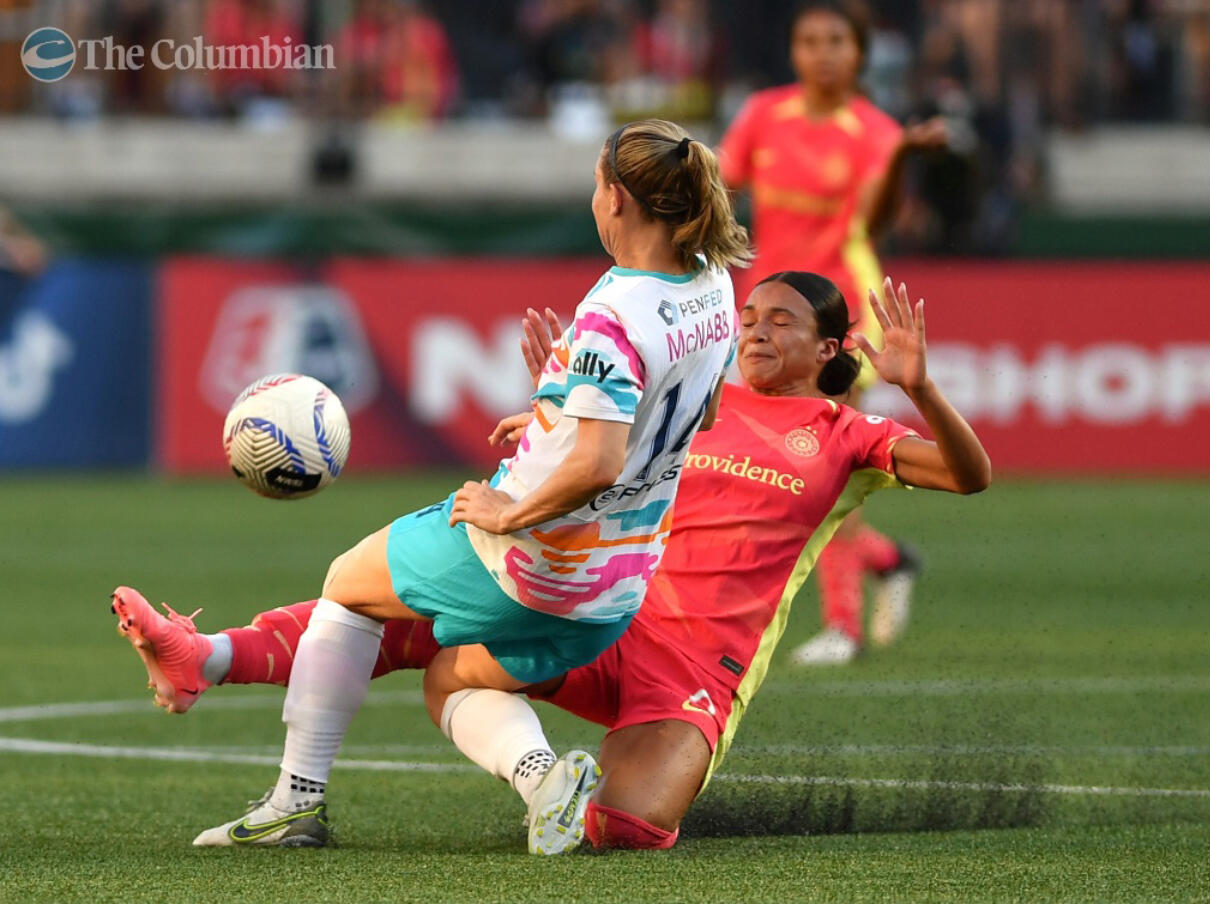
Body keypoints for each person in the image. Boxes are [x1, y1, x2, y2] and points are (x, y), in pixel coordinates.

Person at [113, 274, 990, 851]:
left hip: (694, 670)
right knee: (429, 641)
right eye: (749, 316)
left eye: (780, 322)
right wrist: (551, 413)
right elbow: (594, 454)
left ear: (830, 351)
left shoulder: (844, 438)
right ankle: (209, 656)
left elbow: (967, 476)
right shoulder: (690, 405)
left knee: (627, 831)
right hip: (611, 615)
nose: (755, 331)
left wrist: (919, 386)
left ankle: (560, 792)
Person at [113, 118, 749, 854]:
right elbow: (695, 414)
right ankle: (546, 783)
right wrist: (556, 413)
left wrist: (513, 511)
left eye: (595, 186)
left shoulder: (616, 313)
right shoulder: (712, 284)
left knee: (348, 584)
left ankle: (294, 803)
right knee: (448, 680)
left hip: (535, 559)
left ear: (617, 198)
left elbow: (601, 463)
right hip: (617, 585)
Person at [718, 0, 950, 665]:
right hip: (766, 312)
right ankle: (889, 559)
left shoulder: (875, 131)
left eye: (836, 41)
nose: (822, 52)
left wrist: (903, 155)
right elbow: (721, 184)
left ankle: (842, 627)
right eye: (810, 40)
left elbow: (874, 222)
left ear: (859, 54)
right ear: (793, 51)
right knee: (781, 476)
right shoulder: (764, 114)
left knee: (822, 472)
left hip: (840, 314)